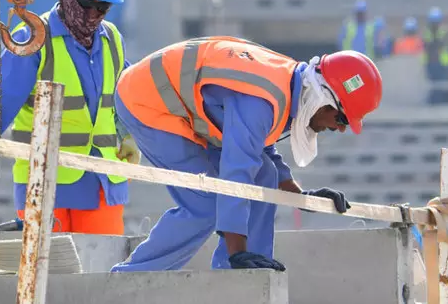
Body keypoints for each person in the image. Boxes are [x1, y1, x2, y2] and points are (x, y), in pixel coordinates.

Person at [110, 37, 383, 272]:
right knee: (205, 205)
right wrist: (236, 250)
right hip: (146, 101)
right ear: (324, 99)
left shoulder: (288, 87)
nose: (340, 129)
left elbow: (261, 152)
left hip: (176, 103)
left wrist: (303, 198)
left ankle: (245, 276)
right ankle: (127, 281)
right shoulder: (262, 101)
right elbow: (236, 171)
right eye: (342, 118)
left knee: (266, 175)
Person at [0, 0, 139, 235]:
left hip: (104, 184)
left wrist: (130, 134)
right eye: (87, 1)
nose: (94, 13)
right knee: (51, 275)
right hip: (45, 185)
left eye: (103, 6)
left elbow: (123, 94)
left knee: (101, 274)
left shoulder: (112, 40)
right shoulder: (34, 39)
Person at [422, 7, 448, 104]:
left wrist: (434, 43)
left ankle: (437, 102)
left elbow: (441, 43)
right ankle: (433, 103)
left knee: (441, 84)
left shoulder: (444, 31)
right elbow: (427, 45)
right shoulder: (427, 32)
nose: (434, 24)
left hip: (442, 62)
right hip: (431, 62)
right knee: (433, 84)